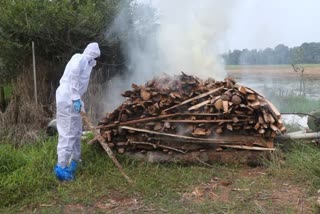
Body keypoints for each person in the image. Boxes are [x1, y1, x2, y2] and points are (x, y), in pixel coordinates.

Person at [54, 42, 100, 181]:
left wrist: (78, 100)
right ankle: (61, 168)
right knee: (67, 133)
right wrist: (74, 97)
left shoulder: (86, 63)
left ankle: (75, 161)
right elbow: (74, 76)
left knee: (77, 131)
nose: (94, 60)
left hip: (75, 99)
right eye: (94, 56)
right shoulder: (79, 58)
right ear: (91, 53)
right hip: (68, 98)